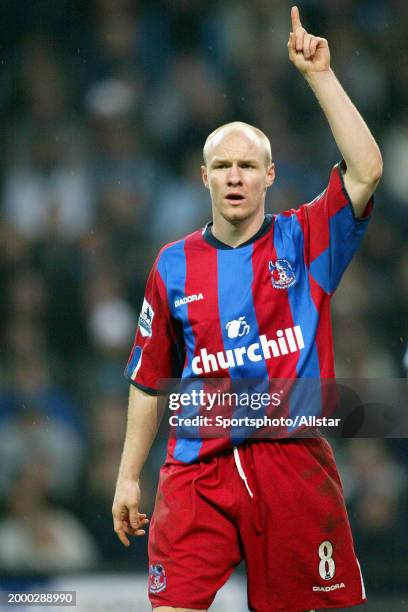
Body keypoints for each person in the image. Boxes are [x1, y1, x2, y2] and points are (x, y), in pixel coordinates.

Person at [113, 6, 382, 612]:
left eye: (247, 166)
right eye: (223, 166)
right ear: (203, 176)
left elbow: (367, 170)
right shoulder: (172, 265)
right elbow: (148, 377)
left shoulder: (306, 240)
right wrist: (129, 474)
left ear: (269, 175)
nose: (235, 177)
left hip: (291, 461)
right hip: (195, 469)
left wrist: (320, 76)